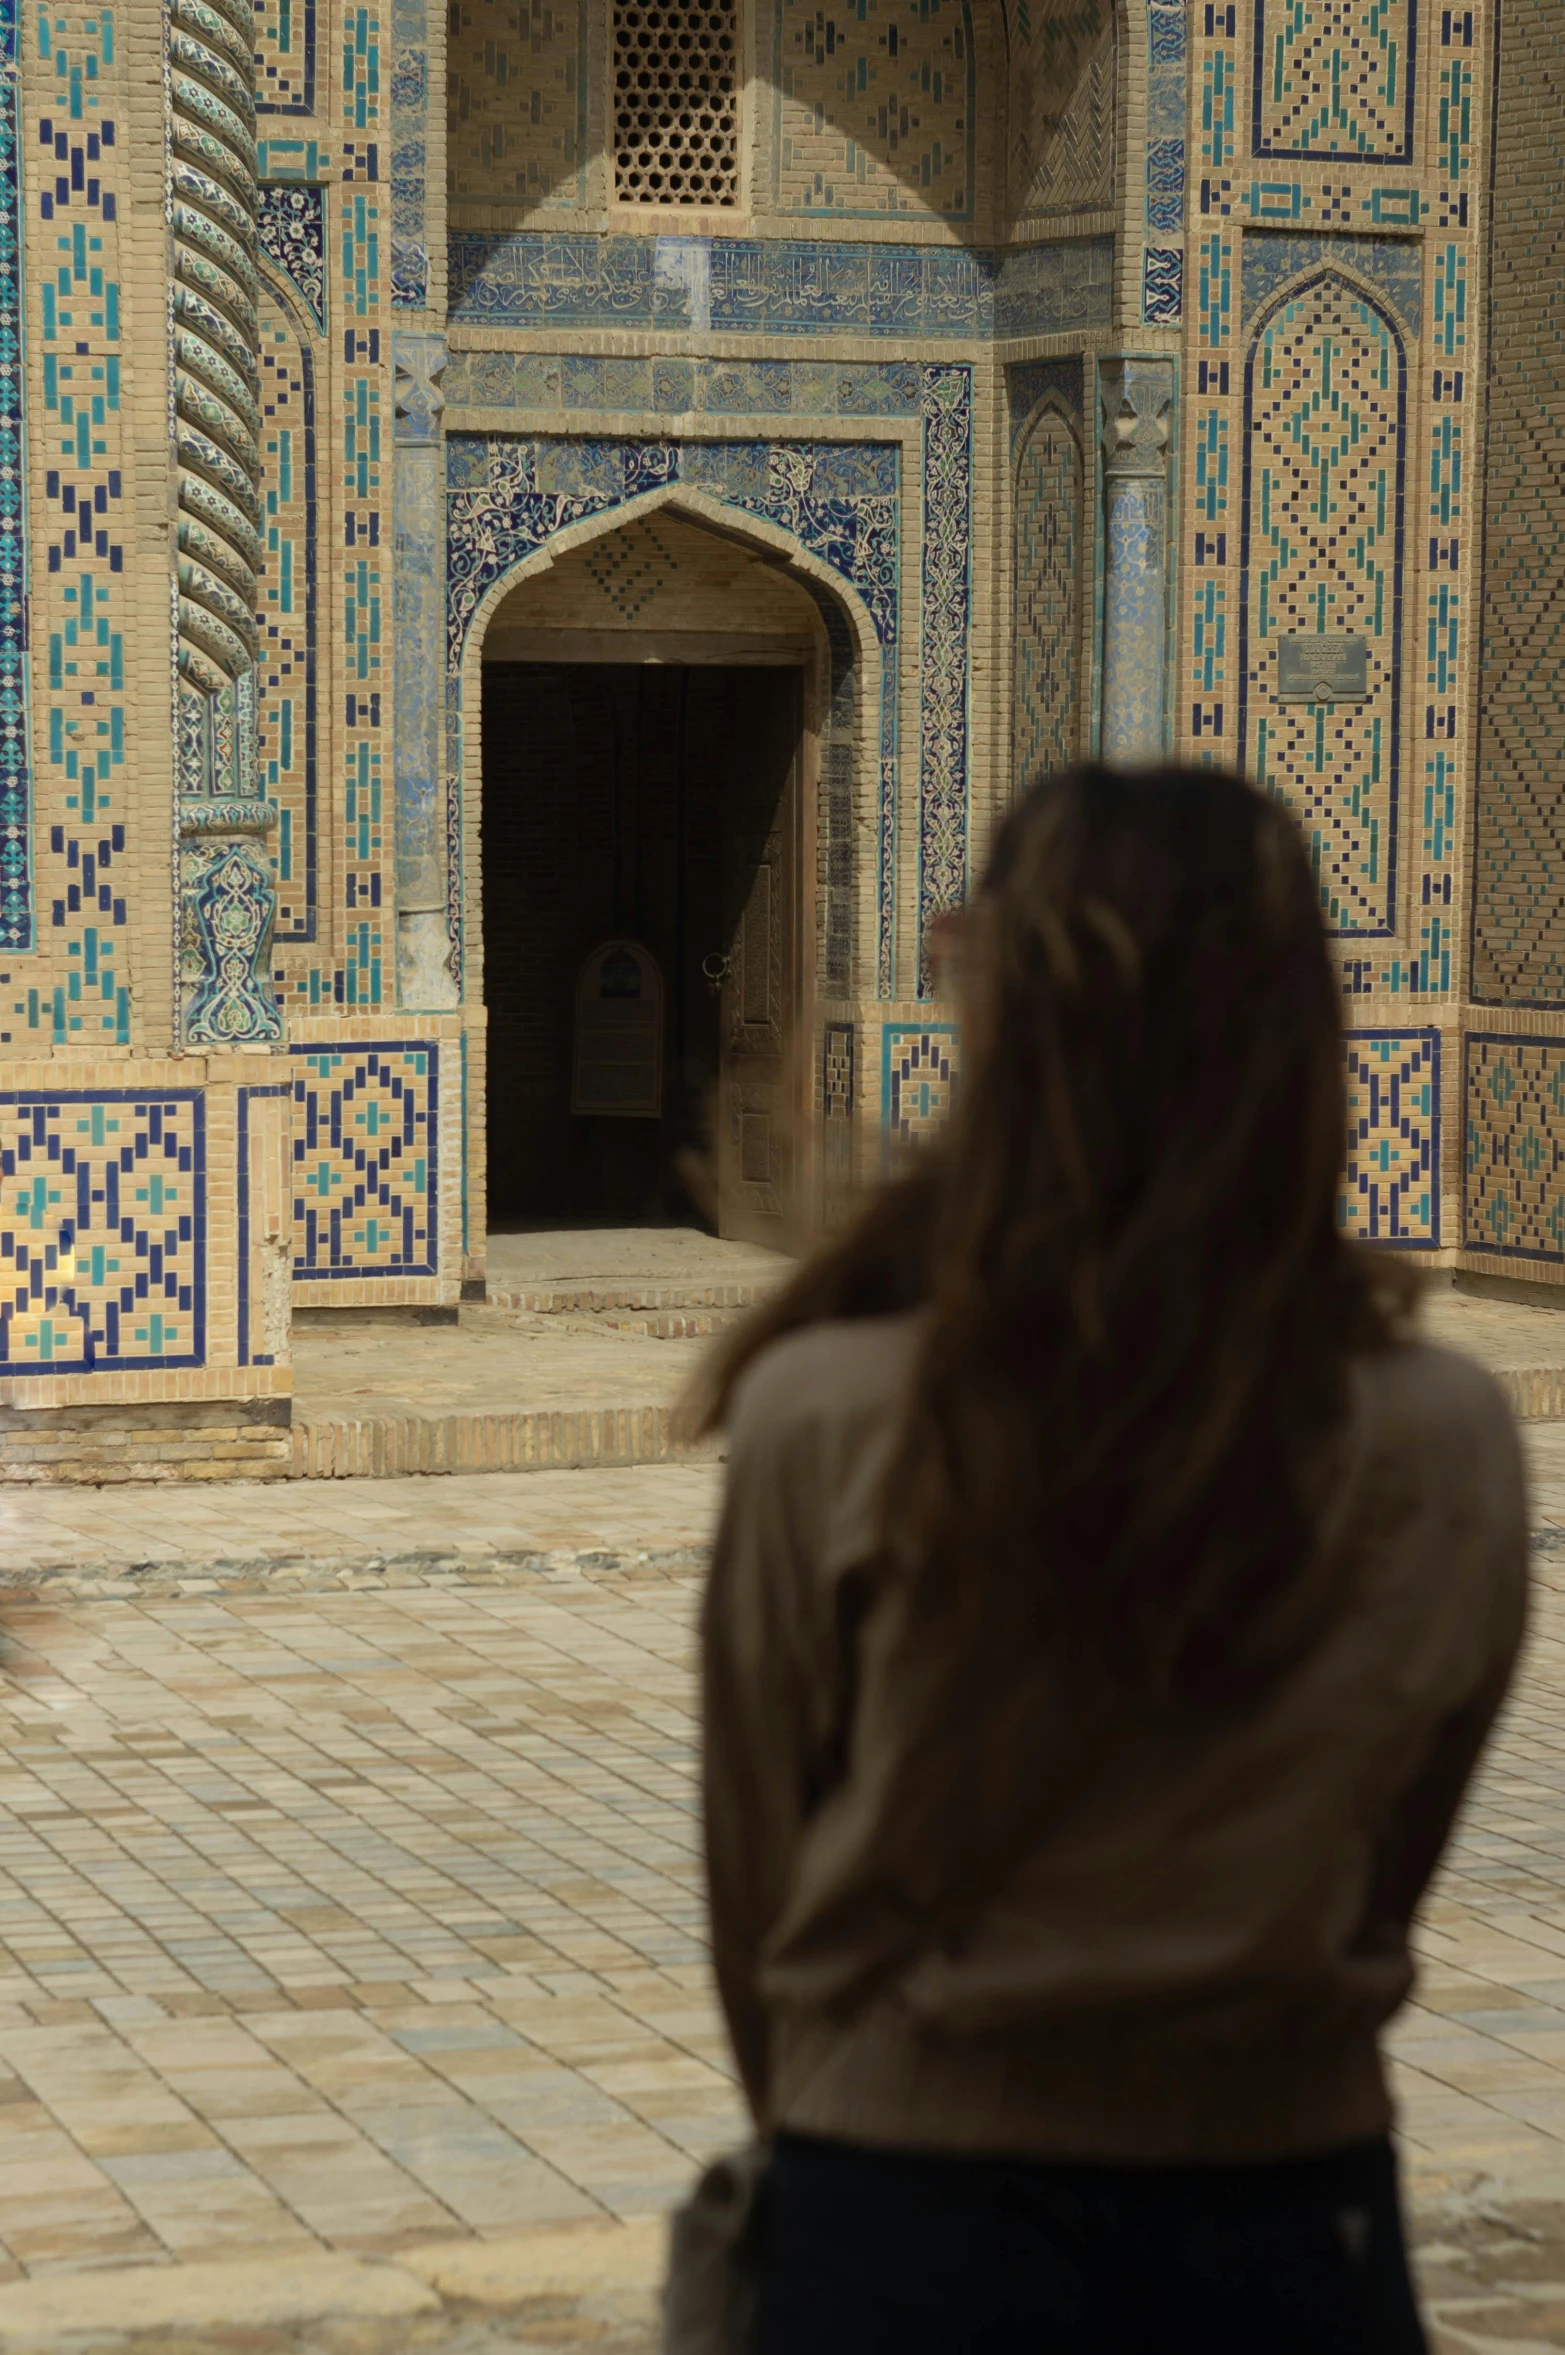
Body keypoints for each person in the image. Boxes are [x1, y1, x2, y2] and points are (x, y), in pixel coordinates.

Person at [690, 764, 1528, 2355]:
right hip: (1285, 2218)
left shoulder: (830, 1415)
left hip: (903, 2218)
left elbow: (761, 1888)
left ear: (1011, 1022)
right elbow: (1391, 1858)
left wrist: (854, 2123)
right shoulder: (1445, 1434)